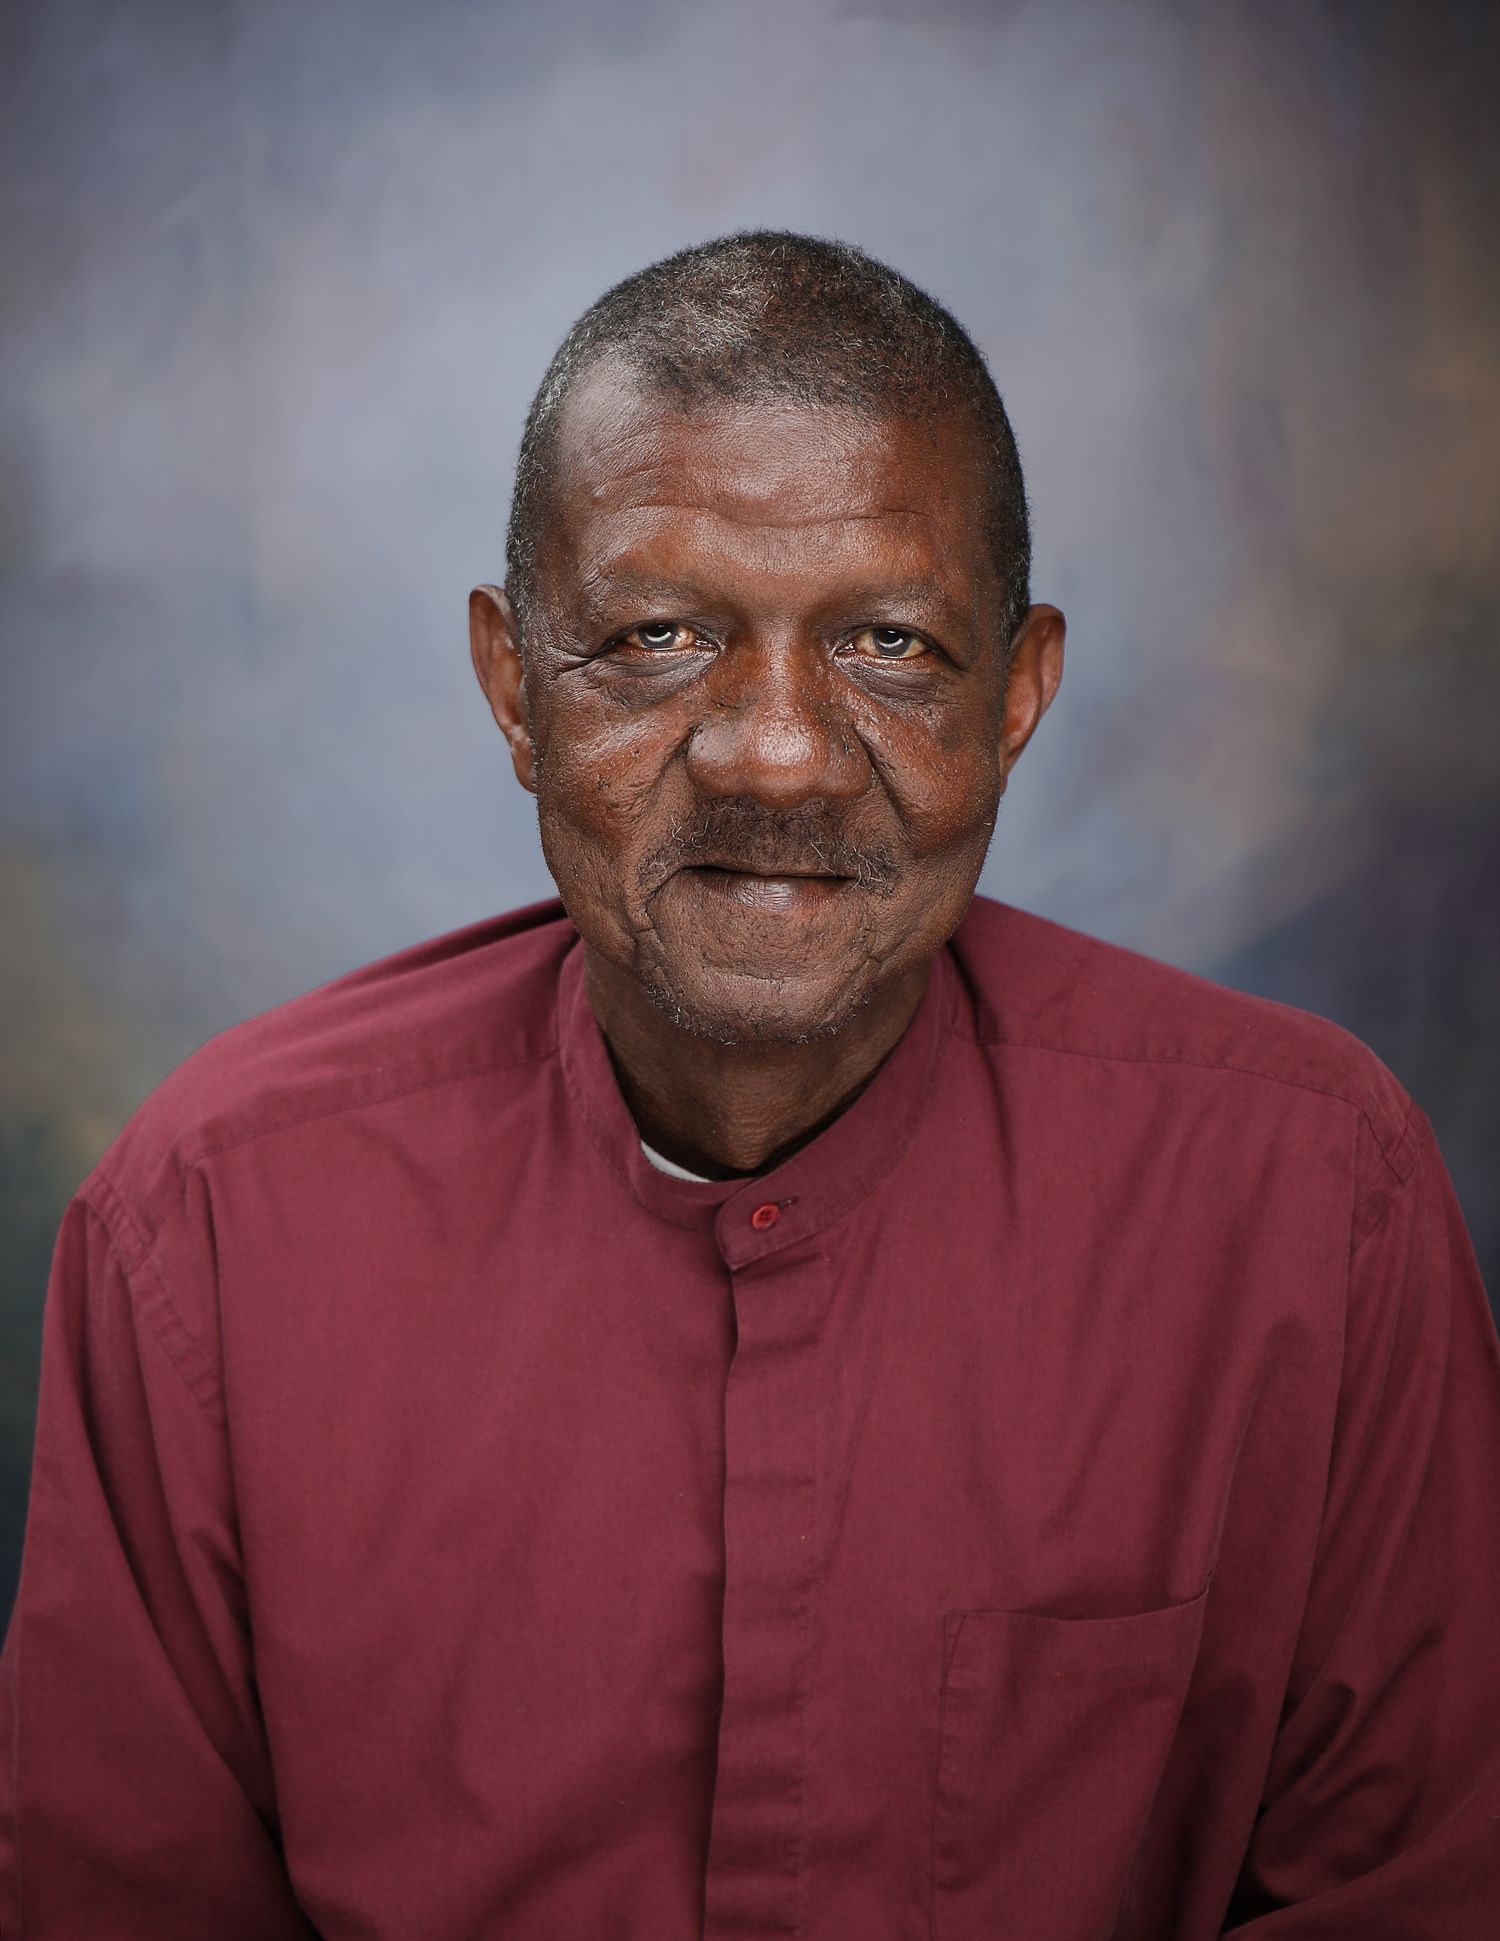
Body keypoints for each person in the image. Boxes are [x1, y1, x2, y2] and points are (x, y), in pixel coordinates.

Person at [1, 231, 1496, 1940]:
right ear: (514, 684)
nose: (774, 751)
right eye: (656, 633)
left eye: (889, 643)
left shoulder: (1311, 1202)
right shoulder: (209, 1228)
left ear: (1018, 693)